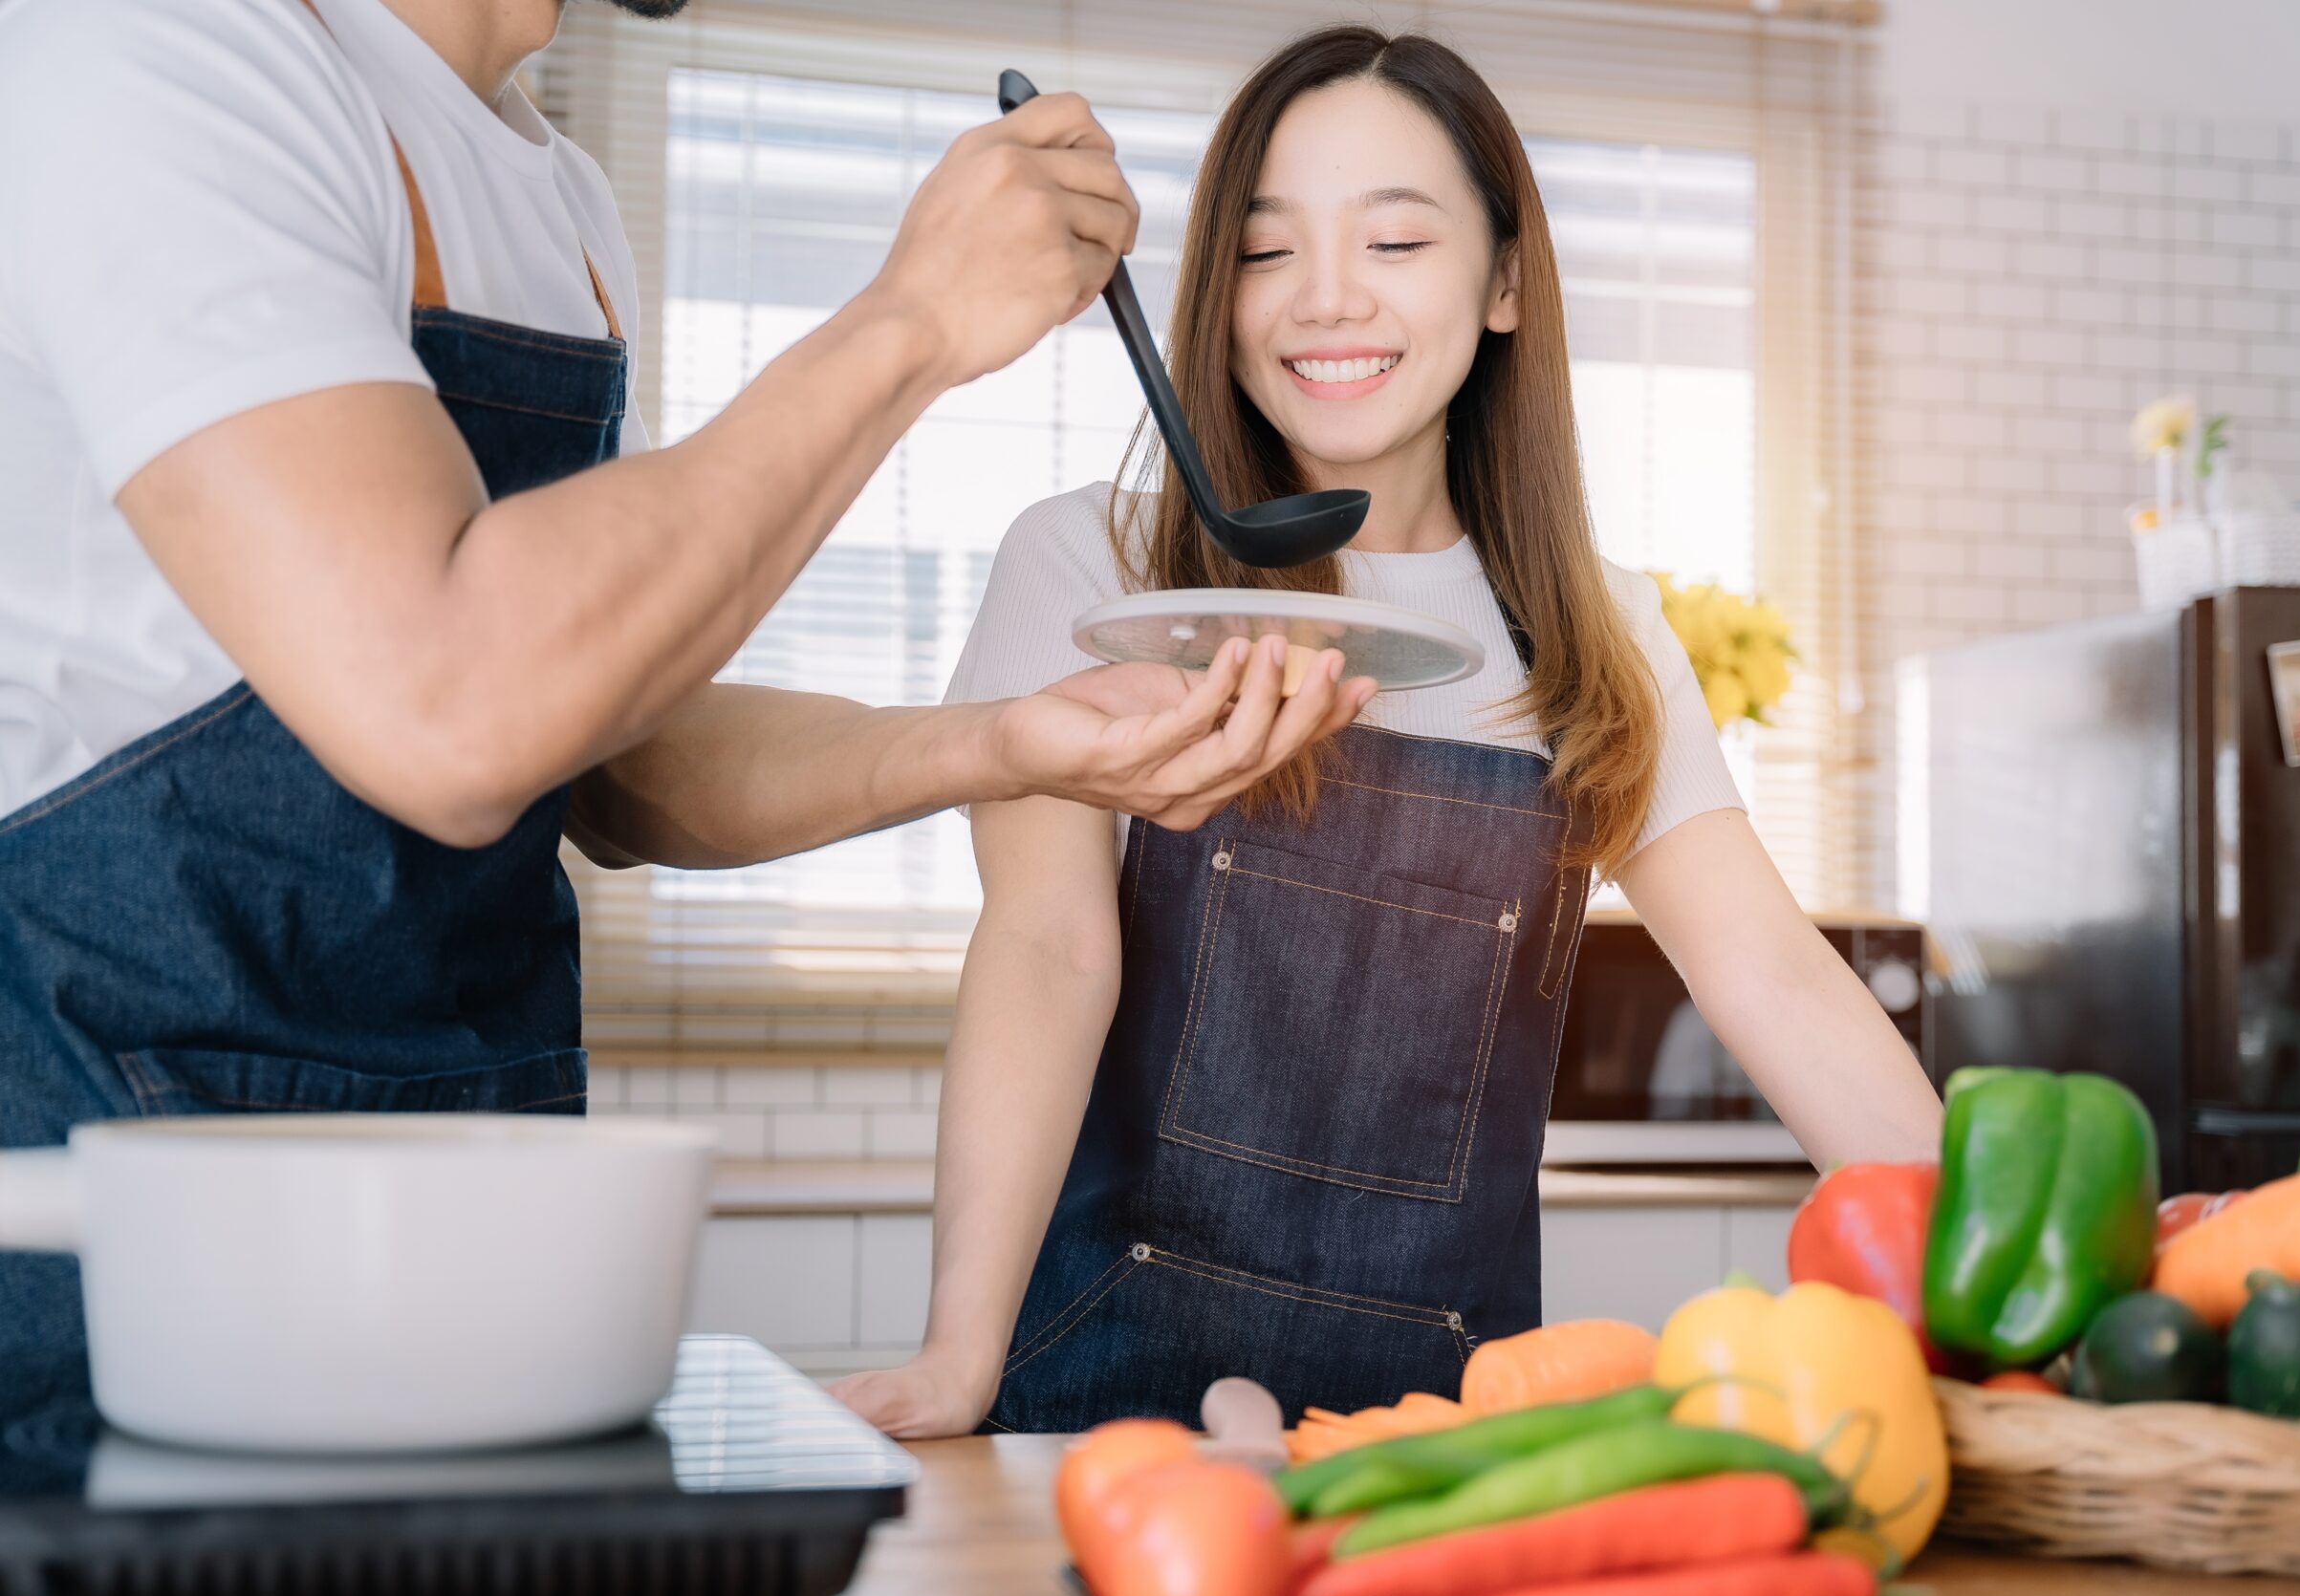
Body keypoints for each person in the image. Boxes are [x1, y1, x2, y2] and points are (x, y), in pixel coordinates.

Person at [0, 0, 1369, 1382]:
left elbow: (621, 763)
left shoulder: (561, 199)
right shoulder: (161, 55)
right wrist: (911, 321)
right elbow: (449, 707)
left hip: (474, 1161)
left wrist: (1006, 745)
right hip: (126, 1172)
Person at [832, 26, 1943, 1440]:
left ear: (1506, 284)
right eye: (1267, 249)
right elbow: (1049, 949)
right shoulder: (1096, 569)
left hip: (1446, 1443)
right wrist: (956, 1354)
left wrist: (2000, 1292)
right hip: (1098, 1412)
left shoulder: (1596, 632)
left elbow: (1775, 981)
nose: (1324, 300)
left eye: (1397, 242)